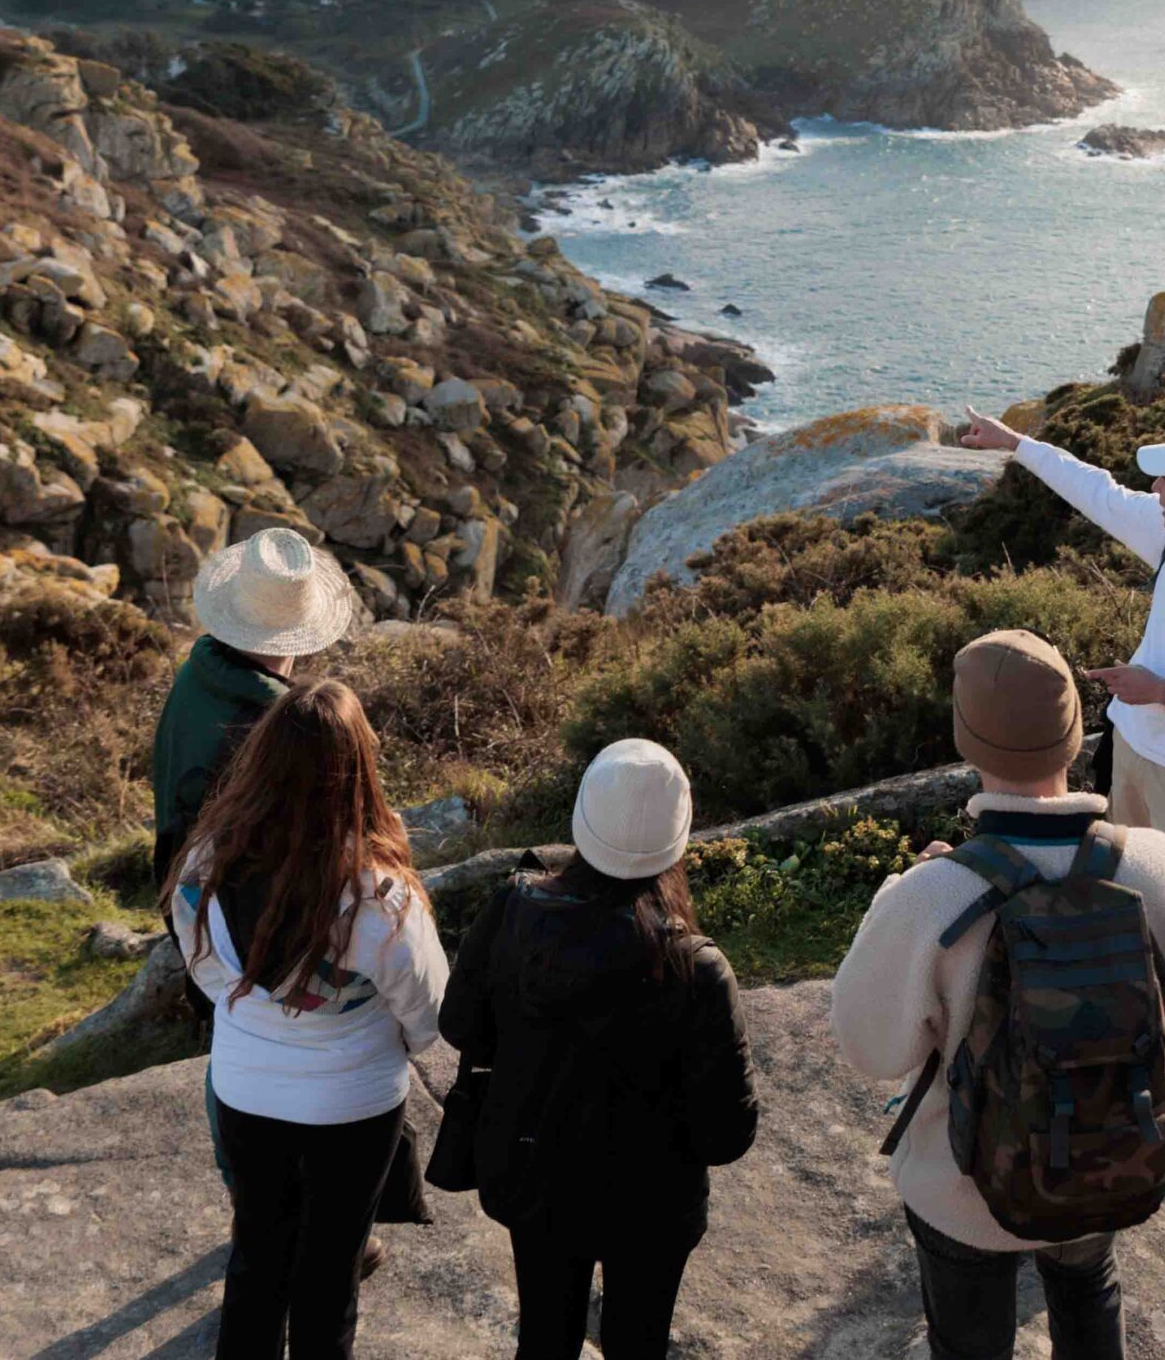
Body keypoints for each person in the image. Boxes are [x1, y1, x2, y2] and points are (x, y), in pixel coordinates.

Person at [830, 630, 1165, 1360]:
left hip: (964, 1186)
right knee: (1088, 1286)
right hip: (1108, 1158)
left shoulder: (933, 896)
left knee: (968, 1342)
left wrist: (903, 889)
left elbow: (870, 1044)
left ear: (967, 740)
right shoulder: (1161, 866)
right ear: (1077, 731)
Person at [439, 739, 759, 1360]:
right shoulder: (698, 967)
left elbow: (460, 1025)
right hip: (651, 1207)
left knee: (543, 1340)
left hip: (534, 1178)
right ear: (680, 837)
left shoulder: (514, 905)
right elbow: (726, 1136)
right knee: (638, 1344)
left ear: (582, 819)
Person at [167, 678, 449, 1360]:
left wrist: (267, 1013)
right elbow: (429, 1014)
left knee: (257, 1258)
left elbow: (208, 972)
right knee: (330, 1273)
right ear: (357, 768)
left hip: (245, 1090)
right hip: (353, 1107)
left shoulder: (206, 862)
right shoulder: (379, 895)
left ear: (260, 759)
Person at [958, 413, 1165, 871]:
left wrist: (1162, 692)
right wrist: (1016, 443)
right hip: (1132, 751)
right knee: (1122, 896)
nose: (1155, 487)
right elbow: (1095, 490)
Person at [152, 527, 362, 894]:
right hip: (226, 915)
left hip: (180, 888)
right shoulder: (277, 723)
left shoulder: (199, 669)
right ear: (303, 628)